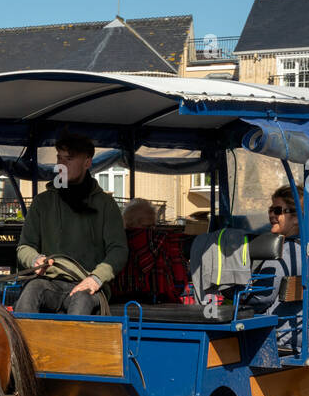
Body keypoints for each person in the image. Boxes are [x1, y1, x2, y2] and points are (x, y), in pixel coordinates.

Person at [15, 131, 128, 315]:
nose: (61, 165)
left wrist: (96, 278)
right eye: (59, 158)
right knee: (30, 293)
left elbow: (118, 250)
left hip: (87, 284)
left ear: (87, 162)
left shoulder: (106, 205)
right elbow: (25, 246)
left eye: (69, 159)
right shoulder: (42, 203)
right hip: (48, 282)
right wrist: (35, 260)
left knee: (81, 302)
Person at [247, 185, 309, 353]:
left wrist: (237, 298)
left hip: (289, 339)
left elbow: (261, 298)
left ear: (297, 218)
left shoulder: (280, 253)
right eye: (270, 210)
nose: (271, 215)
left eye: (277, 211)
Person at [112, 199, 189, 305]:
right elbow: (179, 279)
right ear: (133, 223)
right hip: (161, 304)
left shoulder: (115, 244)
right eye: (149, 226)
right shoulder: (164, 241)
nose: (153, 229)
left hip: (119, 305)